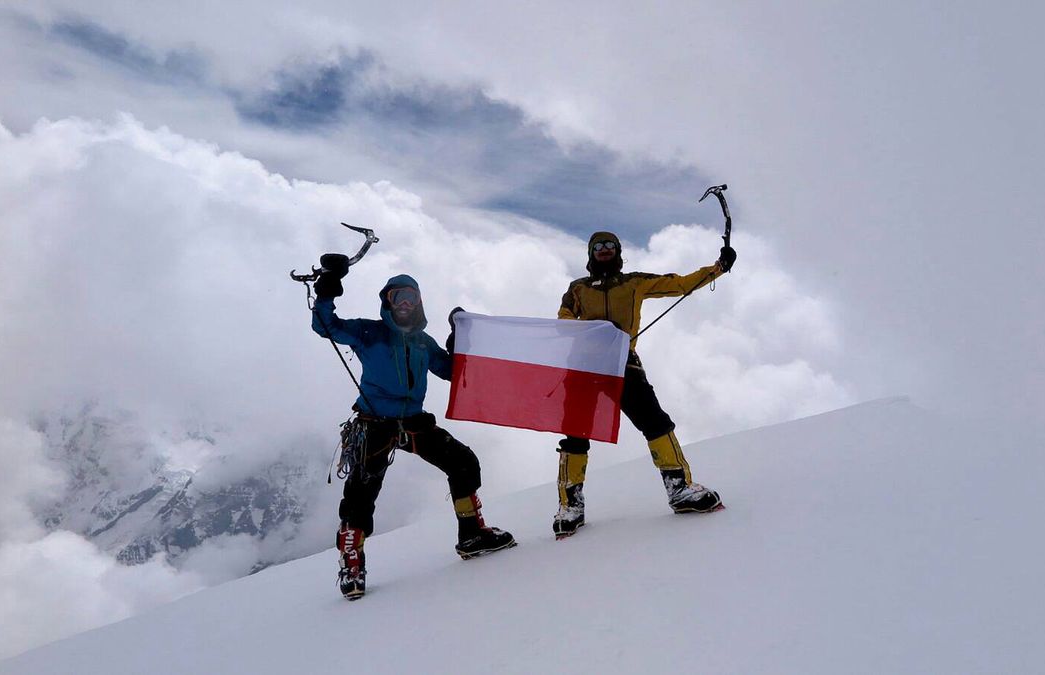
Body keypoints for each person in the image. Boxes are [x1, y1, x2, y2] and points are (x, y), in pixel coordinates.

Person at [311, 254, 515, 599]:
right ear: (387, 302)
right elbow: (325, 326)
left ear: (418, 304)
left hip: (409, 421)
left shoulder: (422, 342)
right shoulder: (369, 332)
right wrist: (328, 291)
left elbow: (451, 371)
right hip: (374, 423)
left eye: (411, 298)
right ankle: (352, 566)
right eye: (397, 297)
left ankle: (471, 536)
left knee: (463, 462)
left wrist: (458, 339)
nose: (405, 304)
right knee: (361, 495)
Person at [552, 231, 737, 537]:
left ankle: (680, 489)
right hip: (584, 367)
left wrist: (718, 267)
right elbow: (563, 319)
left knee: (656, 423)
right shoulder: (578, 289)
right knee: (575, 435)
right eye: (598, 246)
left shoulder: (634, 282)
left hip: (623, 363)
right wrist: (594, 331)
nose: (604, 249)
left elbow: (677, 283)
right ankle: (570, 506)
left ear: (618, 250)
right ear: (590, 253)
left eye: (610, 244)